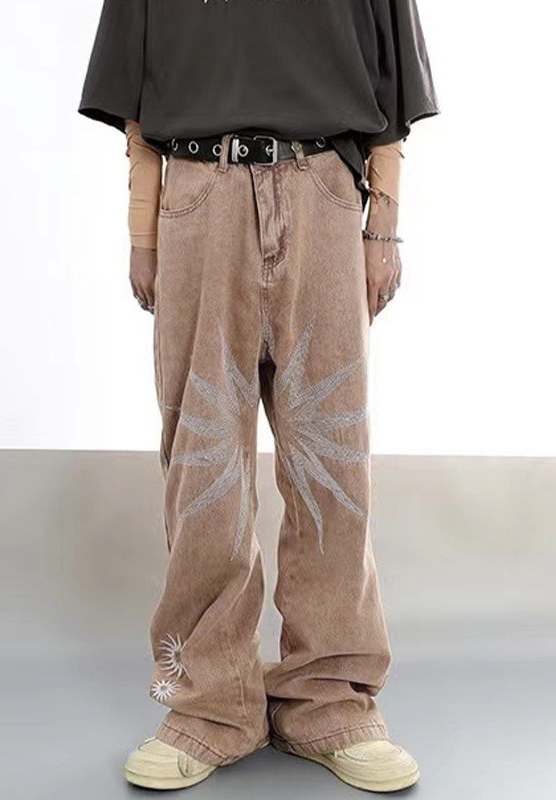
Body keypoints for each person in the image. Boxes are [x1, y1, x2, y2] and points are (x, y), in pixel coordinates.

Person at [78, 0, 439, 792]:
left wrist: (384, 225)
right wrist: (143, 231)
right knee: (203, 462)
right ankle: (211, 706)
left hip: (326, 193)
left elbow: (392, 87)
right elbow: (136, 102)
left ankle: (330, 700)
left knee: (332, 460)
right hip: (197, 194)